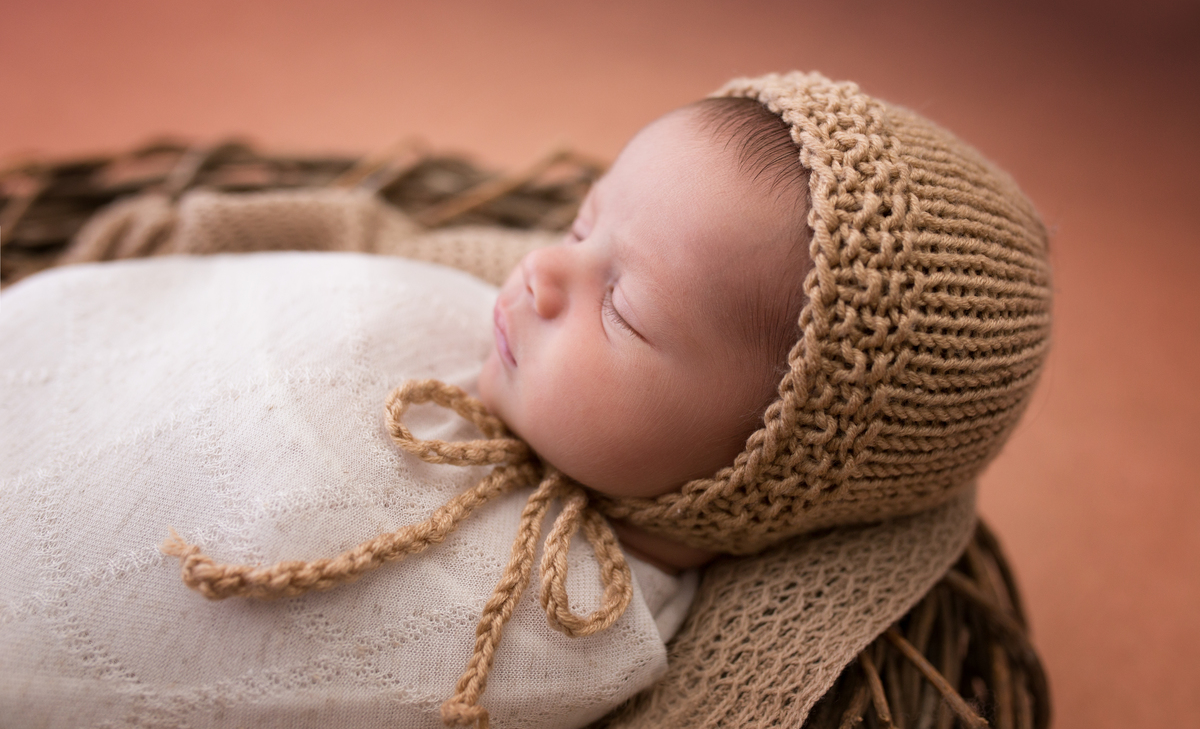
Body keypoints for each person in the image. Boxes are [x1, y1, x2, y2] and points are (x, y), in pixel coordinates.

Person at [0, 72, 1053, 729]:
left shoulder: (576, 627)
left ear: (751, 475)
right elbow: (337, 266)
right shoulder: (473, 295)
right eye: (585, 219)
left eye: (626, 308)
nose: (547, 270)